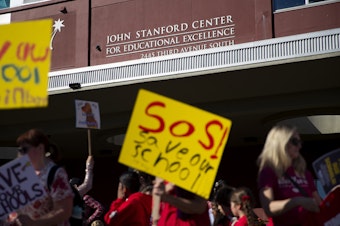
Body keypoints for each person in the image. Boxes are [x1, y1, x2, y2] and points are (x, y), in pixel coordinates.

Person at [257, 124, 322, 226]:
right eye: (295, 142)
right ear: (281, 143)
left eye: (300, 142)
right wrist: (296, 201)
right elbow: (268, 207)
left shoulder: (304, 172)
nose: (299, 146)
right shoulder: (269, 172)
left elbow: (319, 204)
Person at [6, 128, 74, 226]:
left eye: (24, 150)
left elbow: (64, 210)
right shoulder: (22, 175)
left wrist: (35, 223)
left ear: (40, 148)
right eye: (19, 150)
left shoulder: (54, 173)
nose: (20, 154)